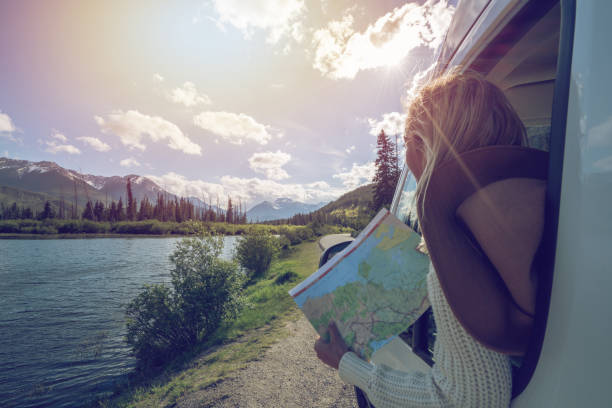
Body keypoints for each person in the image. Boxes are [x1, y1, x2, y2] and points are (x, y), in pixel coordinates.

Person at [314, 69, 548, 407]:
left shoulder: (457, 243)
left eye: (408, 141)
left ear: (425, 147)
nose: (408, 157)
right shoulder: (545, 203)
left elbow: (467, 401)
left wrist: (348, 365)